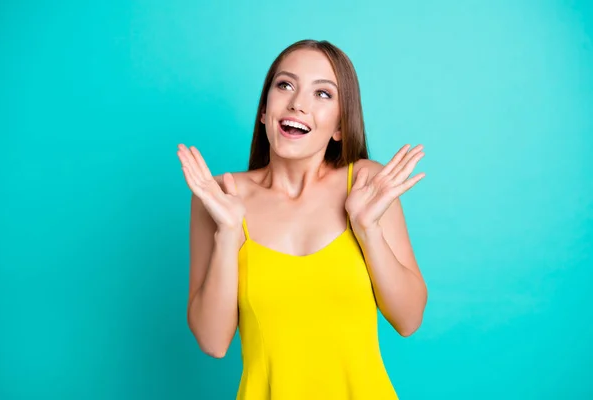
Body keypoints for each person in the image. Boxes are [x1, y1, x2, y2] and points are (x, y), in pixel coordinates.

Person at [177, 39, 428, 400]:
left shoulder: (366, 182)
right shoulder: (219, 197)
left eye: (323, 94)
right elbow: (213, 342)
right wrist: (229, 234)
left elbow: (409, 320)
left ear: (340, 126)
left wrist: (368, 230)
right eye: (285, 85)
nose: (298, 103)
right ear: (264, 110)